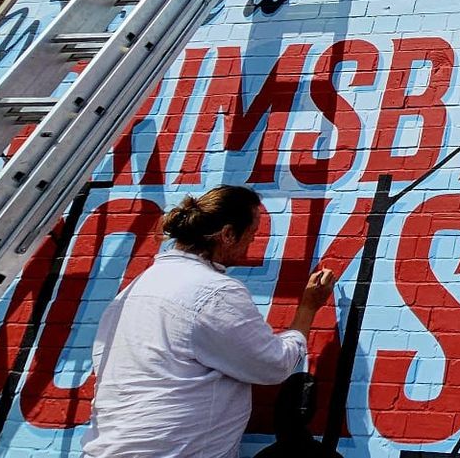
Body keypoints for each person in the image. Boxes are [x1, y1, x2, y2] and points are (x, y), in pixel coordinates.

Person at [83, 185, 336, 458]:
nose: (251, 245)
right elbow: (273, 365)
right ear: (228, 234)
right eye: (251, 234)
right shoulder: (215, 292)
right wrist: (308, 308)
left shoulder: (134, 290)